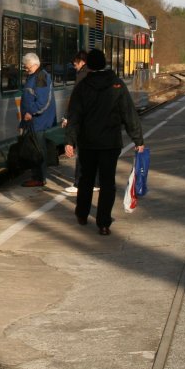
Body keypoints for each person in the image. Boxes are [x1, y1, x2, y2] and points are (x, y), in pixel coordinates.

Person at [64, 48, 144, 235]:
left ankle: (82, 214)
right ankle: (104, 223)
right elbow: (129, 114)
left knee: (86, 180)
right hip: (110, 144)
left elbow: (74, 115)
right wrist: (138, 140)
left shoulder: (82, 87)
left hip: (88, 143)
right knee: (107, 183)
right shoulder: (117, 85)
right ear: (105, 63)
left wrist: (70, 141)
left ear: (89, 65)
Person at [19, 52, 57, 187]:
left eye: (27, 66)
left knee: (38, 149)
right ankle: (37, 176)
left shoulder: (41, 77)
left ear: (35, 65)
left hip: (38, 120)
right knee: (34, 148)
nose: (25, 68)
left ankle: (39, 178)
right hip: (32, 120)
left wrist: (31, 112)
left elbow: (43, 101)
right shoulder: (33, 76)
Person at [60, 50, 91, 195]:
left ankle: (79, 183)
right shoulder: (94, 74)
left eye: (75, 63)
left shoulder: (82, 76)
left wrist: (67, 116)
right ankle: (95, 183)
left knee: (83, 154)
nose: (74, 66)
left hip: (83, 121)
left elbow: (75, 100)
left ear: (82, 62)